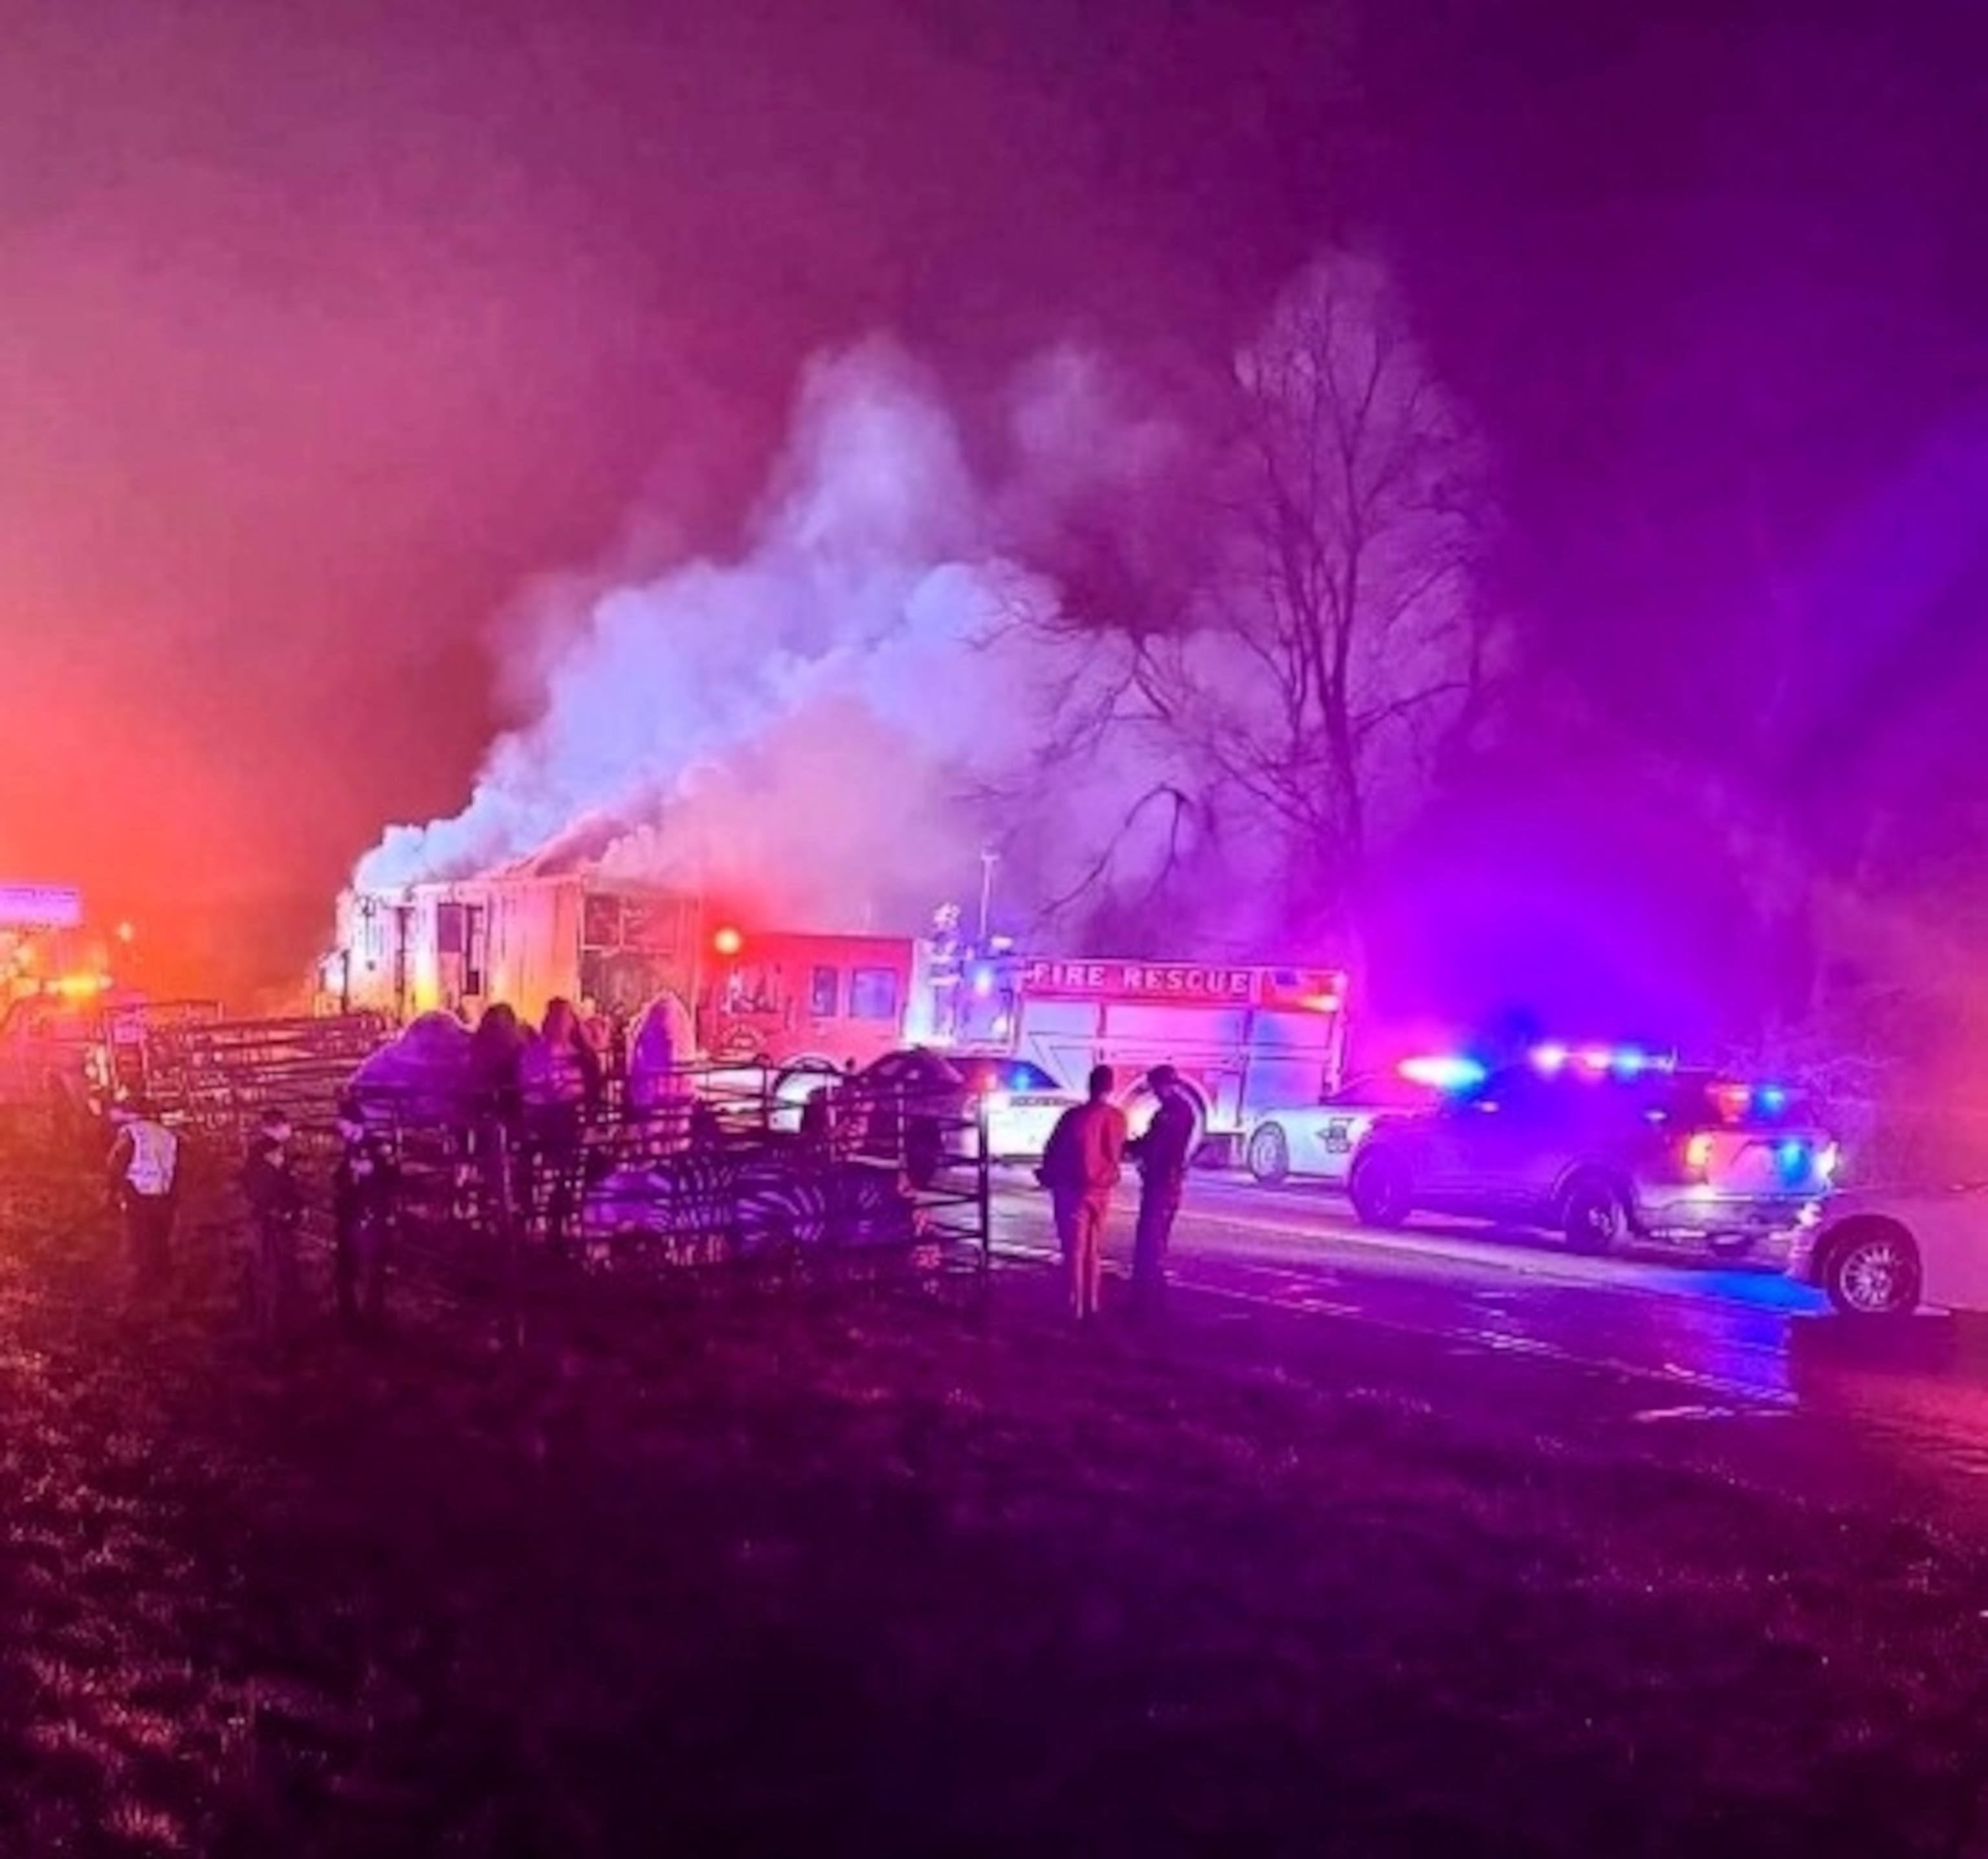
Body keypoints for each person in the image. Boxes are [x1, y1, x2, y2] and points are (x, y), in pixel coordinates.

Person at [1037, 1064, 1127, 1322]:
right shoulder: (1118, 1118)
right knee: (1093, 1250)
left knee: (1074, 1250)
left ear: (1090, 1085)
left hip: (1074, 1189)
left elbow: (1055, 1150)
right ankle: (1093, 1303)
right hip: (1103, 1190)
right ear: (1110, 1088)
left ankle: (1074, 1306)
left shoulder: (1075, 1117)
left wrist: (1048, 1174)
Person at [518, 996, 604, 1249]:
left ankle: (569, 1221)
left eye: (564, 1019)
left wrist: (588, 1118)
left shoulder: (583, 1058)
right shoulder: (534, 1055)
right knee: (547, 1171)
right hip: (545, 1120)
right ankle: (542, 1223)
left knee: (573, 1172)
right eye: (556, 1019)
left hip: (571, 1122)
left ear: (572, 1024)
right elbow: (527, 1090)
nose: (560, 1024)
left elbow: (593, 1093)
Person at [1126, 1064, 1197, 1312]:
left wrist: (1129, 1148)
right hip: (1168, 1182)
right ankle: (1151, 1300)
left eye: (1156, 1087)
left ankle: (1147, 1302)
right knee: (1156, 1241)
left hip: (1161, 1182)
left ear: (1163, 1085)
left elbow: (1155, 1144)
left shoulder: (1172, 1113)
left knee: (1150, 1241)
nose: (1154, 1093)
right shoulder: (1180, 1110)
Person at [333, 1095, 400, 1334]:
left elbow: (393, 1179)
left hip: (372, 1217)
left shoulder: (377, 1147)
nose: (339, 1128)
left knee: (372, 1270)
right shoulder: (350, 1148)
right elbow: (340, 1178)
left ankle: (372, 1322)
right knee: (347, 1268)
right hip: (351, 1217)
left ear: (356, 1124)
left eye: (343, 1123)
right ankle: (350, 1319)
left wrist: (373, 1172)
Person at [241, 1108, 306, 1345]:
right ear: (276, 1127)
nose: (290, 1129)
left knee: (266, 1274)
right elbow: (270, 1189)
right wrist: (288, 1211)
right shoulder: (271, 1152)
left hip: (264, 1222)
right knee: (273, 1277)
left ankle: (270, 1328)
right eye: (286, 1125)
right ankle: (273, 1334)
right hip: (271, 1225)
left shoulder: (258, 1151)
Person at [105, 1096, 180, 1298]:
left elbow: (116, 1163)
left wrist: (112, 1192)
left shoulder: (131, 1133)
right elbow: (177, 1168)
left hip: (137, 1194)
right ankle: (165, 1281)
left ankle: (142, 1288)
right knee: (159, 1239)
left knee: (139, 1241)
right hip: (163, 1194)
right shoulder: (168, 1135)